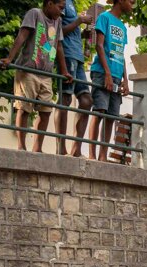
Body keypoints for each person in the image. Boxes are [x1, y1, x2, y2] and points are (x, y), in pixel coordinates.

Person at [1, 0, 72, 153]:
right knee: (24, 108)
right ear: (50, 3)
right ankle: (21, 146)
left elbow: (58, 46)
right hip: (28, 70)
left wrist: (64, 71)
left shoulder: (58, 21)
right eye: (60, 8)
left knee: (46, 110)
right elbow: (22, 35)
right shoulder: (35, 14)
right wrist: (10, 58)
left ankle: (37, 148)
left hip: (46, 73)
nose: (61, 12)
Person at [88, 0, 132, 164]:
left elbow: (121, 54)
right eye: (131, 1)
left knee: (111, 116)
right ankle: (92, 154)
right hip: (102, 72)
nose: (133, 4)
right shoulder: (104, 17)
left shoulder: (123, 27)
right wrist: (107, 72)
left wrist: (125, 80)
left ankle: (103, 155)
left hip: (116, 76)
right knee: (99, 111)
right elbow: (99, 46)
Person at [56, 0, 92, 157]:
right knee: (65, 99)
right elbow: (57, 32)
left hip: (78, 57)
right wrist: (79, 20)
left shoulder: (71, 3)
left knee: (86, 101)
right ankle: (60, 149)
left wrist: (83, 34)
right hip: (67, 54)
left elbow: (69, 30)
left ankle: (76, 150)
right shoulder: (62, 3)